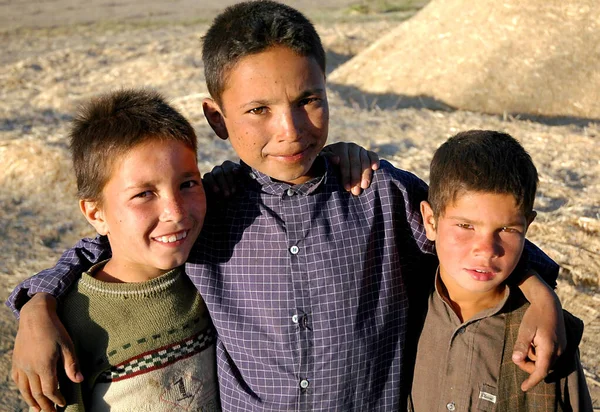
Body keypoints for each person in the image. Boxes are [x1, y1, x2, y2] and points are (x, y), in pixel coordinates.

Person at [8, 2, 565, 411]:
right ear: (217, 120)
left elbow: (487, 236)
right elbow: (106, 245)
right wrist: (37, 305)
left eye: (308, 101)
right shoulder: (208, 207)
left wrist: (542, 297)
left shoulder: (381, 196)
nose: (291, 129)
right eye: (258, 110)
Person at [47, 88, 220, 410]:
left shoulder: (213, 269)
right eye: (144, 194)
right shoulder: (71, 325)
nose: (176, 212)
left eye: (187, 184)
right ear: (96, 214)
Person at [408, 130, 592, 411]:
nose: (486, 249)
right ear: (430, 221)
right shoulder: (402, 307)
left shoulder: (547, 338)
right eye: (466, 226)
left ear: (527, 227)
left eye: (506, 229)